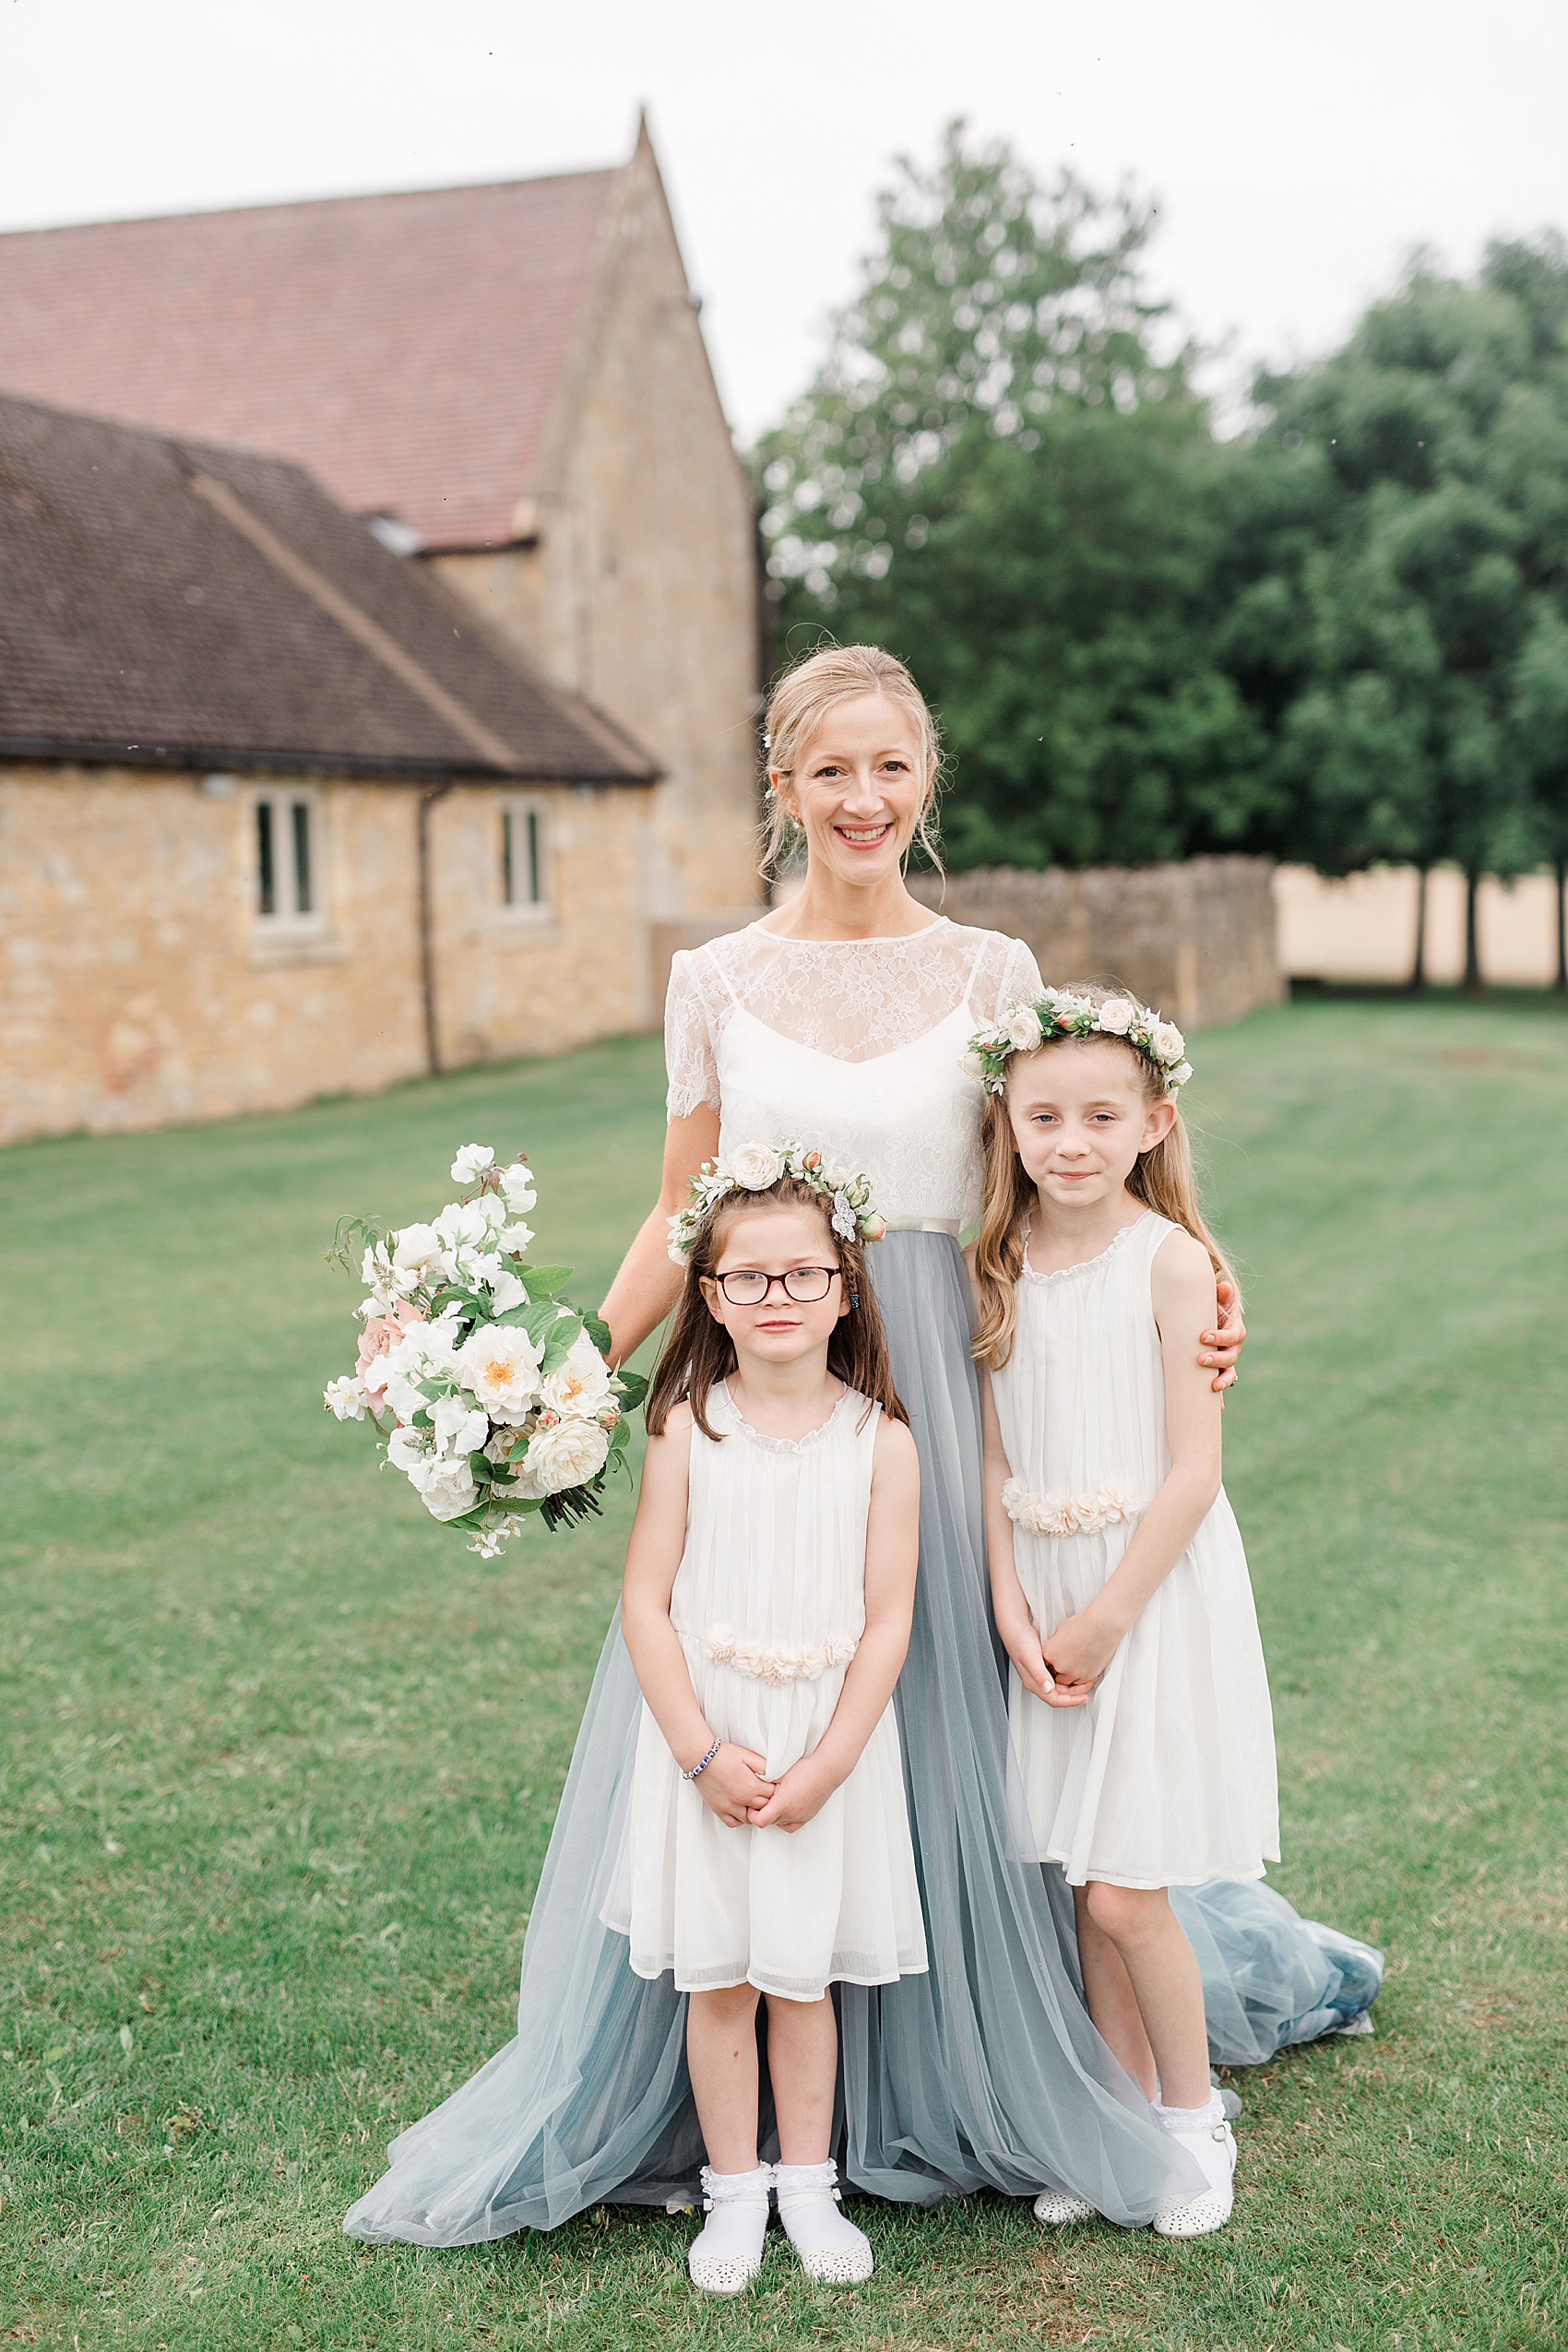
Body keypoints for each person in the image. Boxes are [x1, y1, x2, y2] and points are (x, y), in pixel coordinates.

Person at [343, 643, 1376, 2251]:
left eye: (892, 768)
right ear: (781, 787)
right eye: (831, 770)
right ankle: (755, 2110)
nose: (864, 800)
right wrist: (549, 1380)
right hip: (773, 1387)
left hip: (955, 1394)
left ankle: (1002, 2057)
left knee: (970, 1727)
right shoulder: (713, 981)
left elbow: (1068, 1164)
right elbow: (677, 1218)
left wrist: (1208, 1279)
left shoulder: (988, 972)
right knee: (773, 1681)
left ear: (927, 782)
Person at [970, 983, 1278, 2237]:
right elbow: (992, 1458)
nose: (1072, 1141)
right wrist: (1011, 1601)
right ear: (1010, 1120)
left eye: (1102, 1115)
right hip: (1041, 1590)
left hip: (1144, 1592)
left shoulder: (1173, 1261)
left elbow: (1195, 1471)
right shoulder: (992, 1264)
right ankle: (1118, 2115)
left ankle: (1194, 2120)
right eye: (1045, 1116)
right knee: (1078, 1872)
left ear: (1153, 1119)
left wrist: (1103, 1617)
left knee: (1123, 1889)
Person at [615, 1149, 923, 2290]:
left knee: (803, 1981)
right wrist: (697, 1752)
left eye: (803, 1275)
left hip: (822, 1752)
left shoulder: (880, 1441)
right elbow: (645, 1601)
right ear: (709, 1297)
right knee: (721, 1982)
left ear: (846, 1288)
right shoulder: (686, 1431)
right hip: (709, 1742)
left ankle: (808, 2186)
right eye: (748, 1279)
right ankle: (732, 2195)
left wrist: (831, 1761)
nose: (777, 1298)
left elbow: (887, 1621)